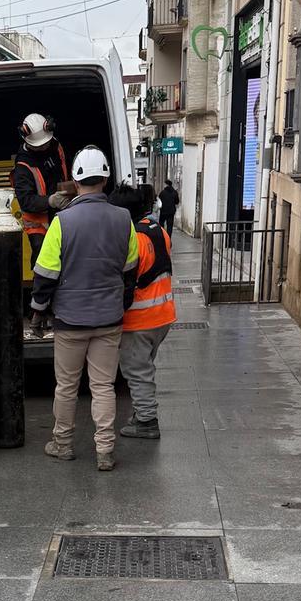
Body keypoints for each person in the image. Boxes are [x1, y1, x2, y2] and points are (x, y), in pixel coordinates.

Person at [30, 146, 139, 472]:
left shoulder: (62, 222)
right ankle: (105, 451)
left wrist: (38, 311)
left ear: (75, 183)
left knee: (66, 386)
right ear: (105, 179)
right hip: (109, 319)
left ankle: (62, 444)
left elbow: (45, 274)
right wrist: (122, 301)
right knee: (103, 386)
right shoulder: (124, 220)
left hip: (70, 320)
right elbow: (130, 267)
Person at [117, 184, 177, 440]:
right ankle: (142, 411)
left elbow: (126, 279)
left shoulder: (134, 239)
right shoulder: (157, 230)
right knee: (144, 365)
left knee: (136, 369)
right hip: (163, 315)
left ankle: (146, 421)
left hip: (140, 318)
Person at [11, 113, 71, 269]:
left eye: (46, 143)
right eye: (39, 145)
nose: (44, 146)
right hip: (39, 223)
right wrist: (50, 201)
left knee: (67, 257)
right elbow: (25, 201)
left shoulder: (55, 146)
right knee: (43, 259)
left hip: (63, 214)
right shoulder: (23, 166)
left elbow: (64, 171)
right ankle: (40, 291)